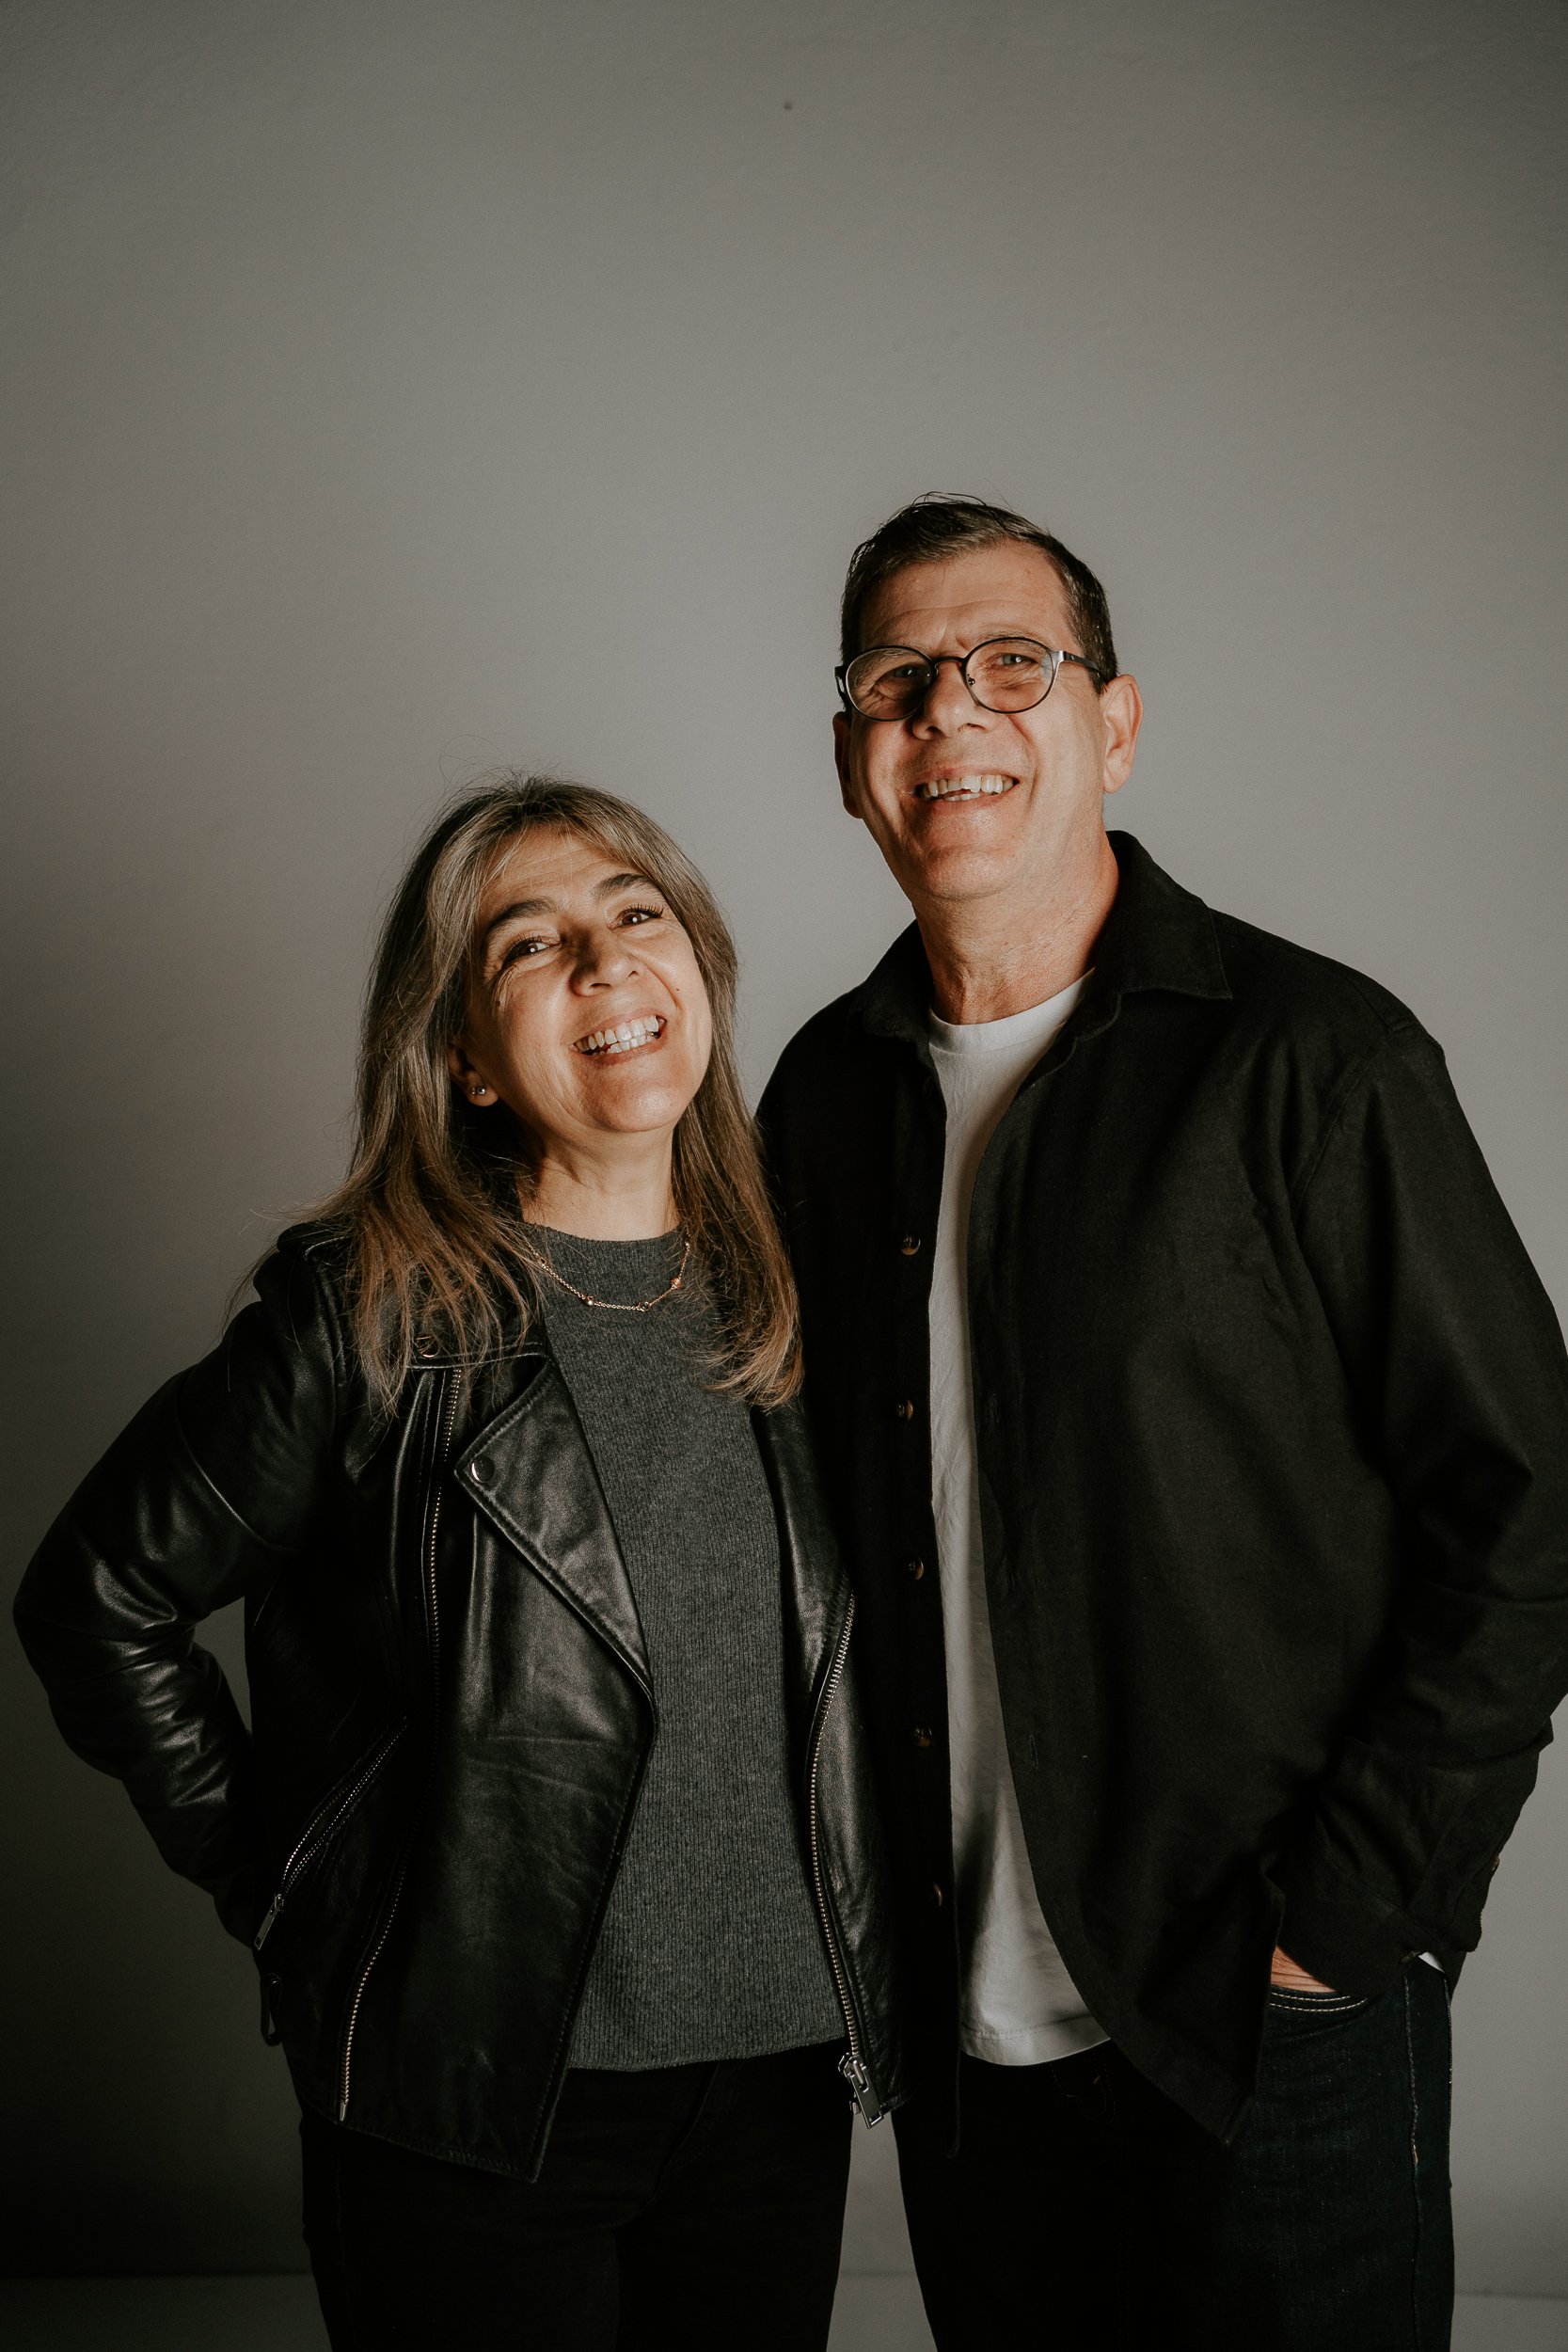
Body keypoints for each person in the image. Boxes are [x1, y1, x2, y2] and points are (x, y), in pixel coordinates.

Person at [757, 494, 1568, 2350]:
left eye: (1011, 664)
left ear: (1114, 723)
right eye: (899, 679)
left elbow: (1530, 1502)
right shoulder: (821, 1095)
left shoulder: (1312, 1057)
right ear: (849, 759)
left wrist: (1348, 1924)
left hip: (1266, 2023)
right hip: (967, 2049)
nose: (950, 709)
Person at [15, 774, 905, 2352]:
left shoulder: (793, 1293)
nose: (606, 964)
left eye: (639, 916)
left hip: (775, 2091)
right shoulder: (369, 1315)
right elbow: (99, 1594)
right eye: (527, 948)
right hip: (478, 2098)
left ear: (697, 966)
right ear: (463, 1064)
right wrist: (287, 1883)